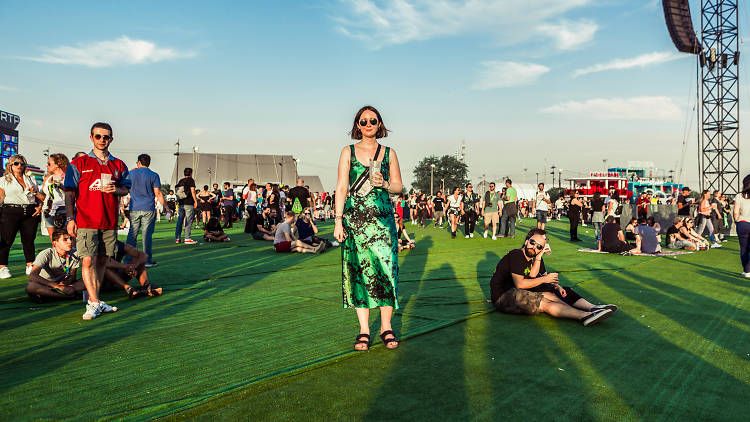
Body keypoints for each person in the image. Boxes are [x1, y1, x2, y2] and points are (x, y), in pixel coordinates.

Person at [334, 105, 403, 351]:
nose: (368, 124)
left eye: (373, 120)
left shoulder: (389, 152)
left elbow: (399, 187)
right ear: (357, 125)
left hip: (383, 222)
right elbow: (341, 187)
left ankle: (386, 327)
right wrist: (338, 220)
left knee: (387, 272)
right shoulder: (347, 152)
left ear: (380, 124)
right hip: (355, 222)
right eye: (363, 121)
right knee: (359, 273)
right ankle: (364, 329)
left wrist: (384, 182)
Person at [64, 122, 130, 320]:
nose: (102, 140)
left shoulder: (118, 165)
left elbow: (126, 188)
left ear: (111, 139)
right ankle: (93, 301)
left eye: (106, 137)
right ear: (91, 138)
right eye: (98, 136)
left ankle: (96, 300)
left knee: (102, 260)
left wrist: (115, 190)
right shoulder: (78, 164)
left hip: (109, 221)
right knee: (87, 260)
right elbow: (69, 193)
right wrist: (70, 218)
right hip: (85, 220)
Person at [489, 228, 617, 326]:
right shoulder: (517, 255)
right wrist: (546, 278)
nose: (535, 247)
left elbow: (536, 276)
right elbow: (521, 284)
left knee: (552, 294)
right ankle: (584, 316)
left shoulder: (535, 256)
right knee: (543, 301)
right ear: (527, 241)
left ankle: (589, 310)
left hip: (517, 290)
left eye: (540, 246)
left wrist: (554, 282)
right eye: (533, 243)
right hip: (504, 296)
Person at [0, 154, 44, 278]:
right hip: (10, 211)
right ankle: (2, 266)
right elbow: (1, 197)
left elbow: (40, 197)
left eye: (22, 164)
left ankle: (30, 265)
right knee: (7, 240)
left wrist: (40, 205)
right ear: (10, 165)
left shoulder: (31, 179)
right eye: (16, 163)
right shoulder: (3, 180)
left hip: (30, 211)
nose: (19, 166)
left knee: (29, 240)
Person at [125, 154, 165, 268]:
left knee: (132, 234)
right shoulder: (154, 175)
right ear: (149, 162)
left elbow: (125, 188)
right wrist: (166, 208)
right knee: (147, 235)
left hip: (134, 207)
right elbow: (158, 193)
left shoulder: (131, 173)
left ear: (138, 162)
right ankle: (147, 260)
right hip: (148, 207)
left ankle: (128, 259)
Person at [25, 229, 85, 303]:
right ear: (55, 243)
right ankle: (67, 296)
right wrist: (57, 286)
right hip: (46, 284)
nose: (70, 242)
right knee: (31, 287)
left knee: (88, 280)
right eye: (65, 240)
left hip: (64, 285)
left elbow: (72, 276)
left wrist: (66, 282)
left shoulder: (74, 252)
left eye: (70, 238)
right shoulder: (46, 254)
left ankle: (50, 296)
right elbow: (32, 276)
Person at [41, 154, 70, 238]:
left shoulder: (68, 177)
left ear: (58, 164)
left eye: (49, 163)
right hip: (49, 211)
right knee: (54, 241)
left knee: (66, 239)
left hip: (64, 211)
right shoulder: (48, 178)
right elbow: (43, 196)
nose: (47, 165)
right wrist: (35, 193)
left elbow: (74, 193)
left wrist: (61, 186)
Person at [175, 168, 198, 244]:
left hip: (181, 202)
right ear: (191, 173)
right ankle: (187, 238)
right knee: (188, 220)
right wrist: (195, 201)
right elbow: (193, 191)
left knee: (180, 220)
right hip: (188, 202)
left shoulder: (181, 180)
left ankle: (177, 238)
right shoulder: (191, 180)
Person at [733, 175, 750, 276]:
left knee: (744, 248)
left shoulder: (739, 195)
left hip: (742, 223)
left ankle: (747, 271)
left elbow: (735, 212)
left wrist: (737, 221)